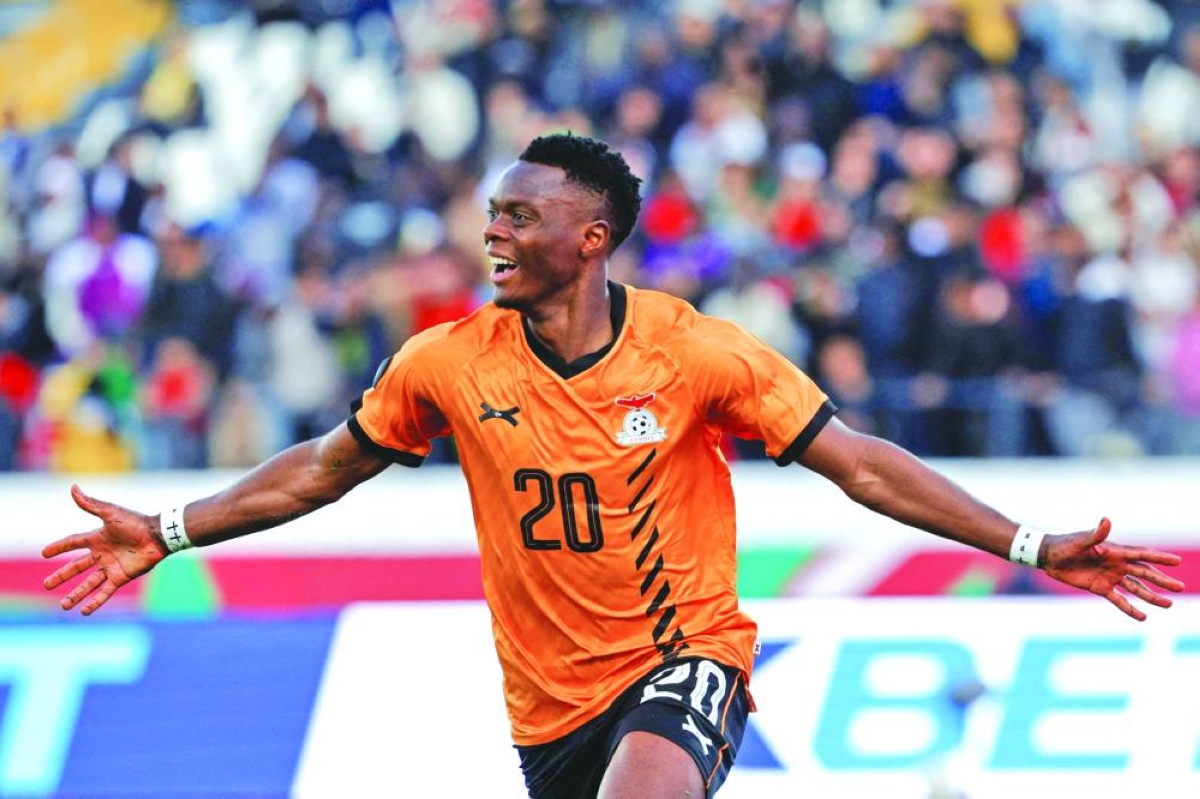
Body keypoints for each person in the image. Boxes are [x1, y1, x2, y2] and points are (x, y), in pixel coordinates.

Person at [42, 134, 1184, 799]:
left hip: (683, 659)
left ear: (589, 239)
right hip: (544, 708)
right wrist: (175, 527)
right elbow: (323, 469)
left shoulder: (692, 351)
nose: (492, 231)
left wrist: (1029, 545)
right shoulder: (443, 361)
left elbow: (862, 465)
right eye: (491, 212)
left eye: (520, 215)